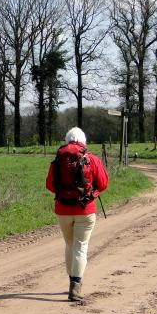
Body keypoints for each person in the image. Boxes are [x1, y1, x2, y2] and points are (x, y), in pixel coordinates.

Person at [45, 127, 109, 301]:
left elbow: (50, 185)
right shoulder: (92, 159)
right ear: (84, 142)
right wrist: (91, 192)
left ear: (66, 142)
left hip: (62, 210)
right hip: (85, 210)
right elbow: (103, 184)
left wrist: (64, 195)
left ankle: (71, 280)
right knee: (80, 247)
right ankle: (75, 286)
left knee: (69, 245)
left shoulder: (58, 160)